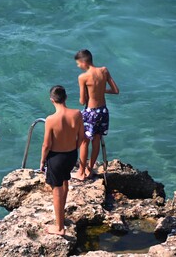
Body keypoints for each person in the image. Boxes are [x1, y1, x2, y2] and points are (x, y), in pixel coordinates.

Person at [40, 85, 84, 236]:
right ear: (65, 98)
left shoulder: (51, 120)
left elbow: (46, 144)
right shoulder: (77, 114)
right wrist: (74, 148)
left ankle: (59, 228)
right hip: (71, 155)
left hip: (56, 158)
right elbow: (82, 137)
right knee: (65, 181)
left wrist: (42, 161)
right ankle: (61, 218)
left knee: (56, 190)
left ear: (52, 100)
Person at [72, 49, 119, 181]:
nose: (78, 66)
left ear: (83, 62)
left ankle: (81, 173)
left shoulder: (83, 77)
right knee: (96, 140)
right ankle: (89, 169)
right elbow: (116, 90)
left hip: (91, 112)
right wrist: (102, 90)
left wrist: (88, 94)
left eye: (78, 64)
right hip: (103, 110)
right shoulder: (104, 70)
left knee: (84, 142)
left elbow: (82, 101)